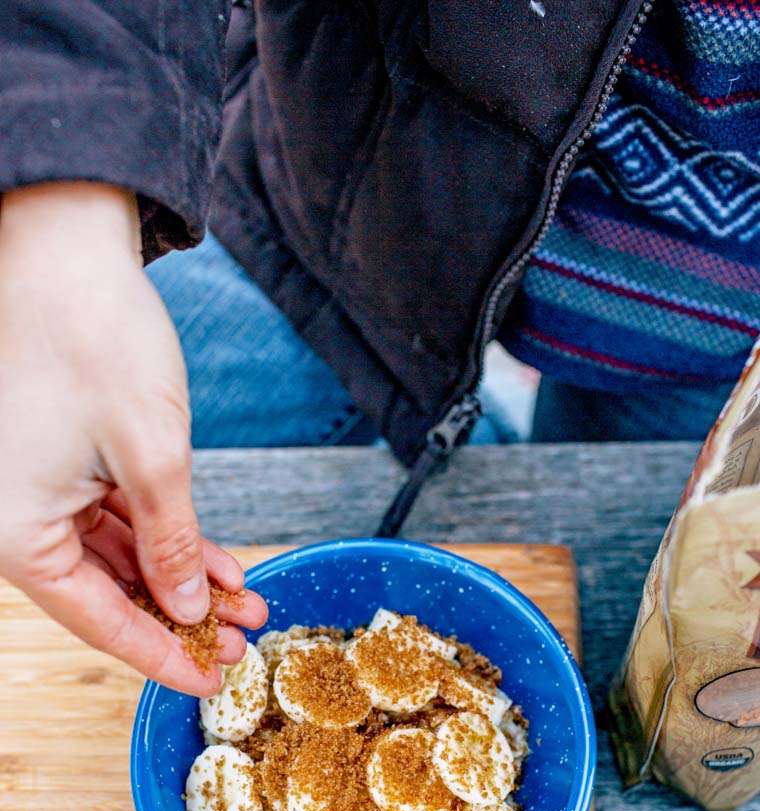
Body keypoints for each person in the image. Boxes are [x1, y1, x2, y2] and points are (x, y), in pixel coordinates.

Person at [1, 1, 758, 691]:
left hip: (713, 338)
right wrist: (60, 222)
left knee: (639, 629)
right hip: (354, 196)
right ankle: (472, 419)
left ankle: (477, 423)